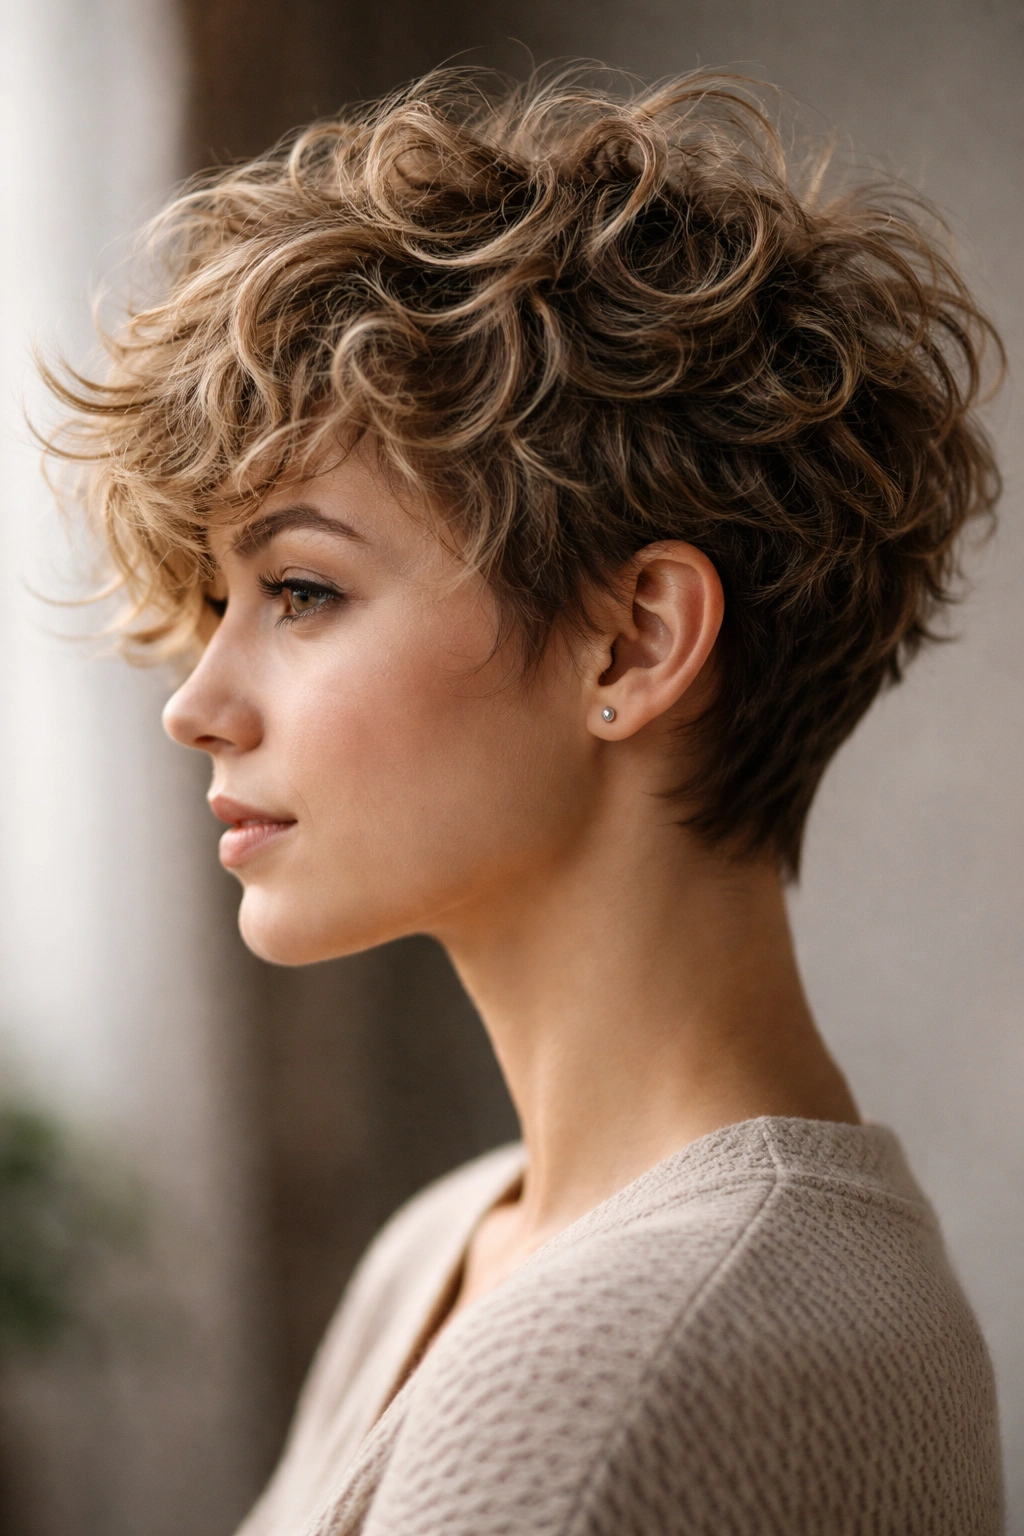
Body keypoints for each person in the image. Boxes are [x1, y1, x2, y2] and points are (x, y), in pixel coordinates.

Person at [47, 68, 1004, 1534]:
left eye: (301, 590)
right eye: (220, 600)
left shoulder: (622, 1369)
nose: (197, 704)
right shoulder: (454, 1244)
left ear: (633, 643)